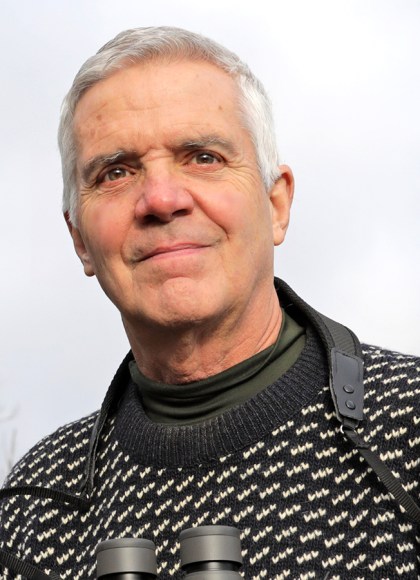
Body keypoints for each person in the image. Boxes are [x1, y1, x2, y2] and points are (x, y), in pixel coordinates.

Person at [0, 26, 419, 580]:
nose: (161, 199)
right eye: (116, 172)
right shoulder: (35, 510)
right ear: (79, 239)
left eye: (203, 157)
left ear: (276, 205)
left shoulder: (409, 428)